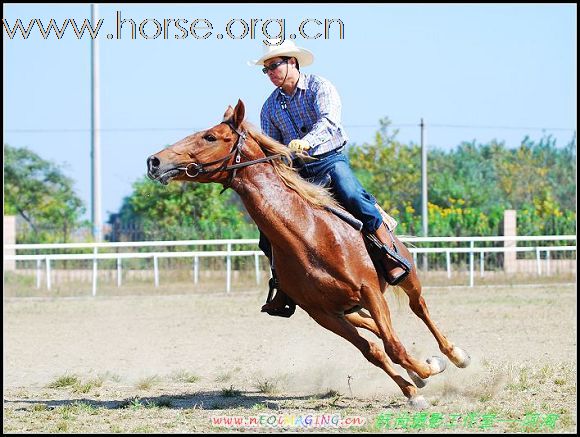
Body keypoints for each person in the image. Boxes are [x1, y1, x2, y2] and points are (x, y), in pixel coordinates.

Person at [250, 40, 411, 317]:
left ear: (292, 62)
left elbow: (329, 122)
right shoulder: (269, 108)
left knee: (352, 195)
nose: (270, 73)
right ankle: (284, 287)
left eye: (274, 65)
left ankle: (388, 253)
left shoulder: (320, 87)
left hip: (329, 160)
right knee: (269, 230)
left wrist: (307, 142)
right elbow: (273, 146)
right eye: (266, 70)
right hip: (298, 172)